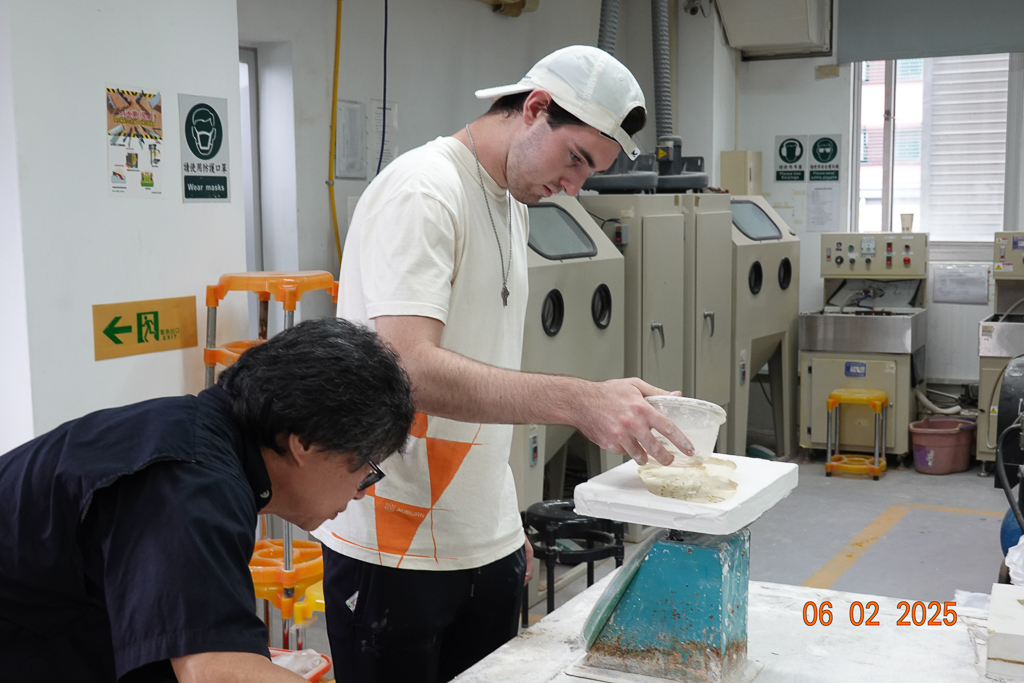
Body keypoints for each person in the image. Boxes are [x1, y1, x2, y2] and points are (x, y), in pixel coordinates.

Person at [313, 45, 696, 683]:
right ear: (535, 108)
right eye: (575, 158)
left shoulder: (510, 202)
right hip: (395, 542)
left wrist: (500, 520)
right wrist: (581, 401)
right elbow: (407, 369)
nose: (574, 186)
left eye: (590, 171)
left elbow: (483, 363)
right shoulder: (424, 189)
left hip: (480, 539)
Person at [0, 318, 414, 682]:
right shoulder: (193, 484)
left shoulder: (201, 441)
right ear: (305, 442)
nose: (364, 489)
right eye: (366, 467)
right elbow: (215, 673)